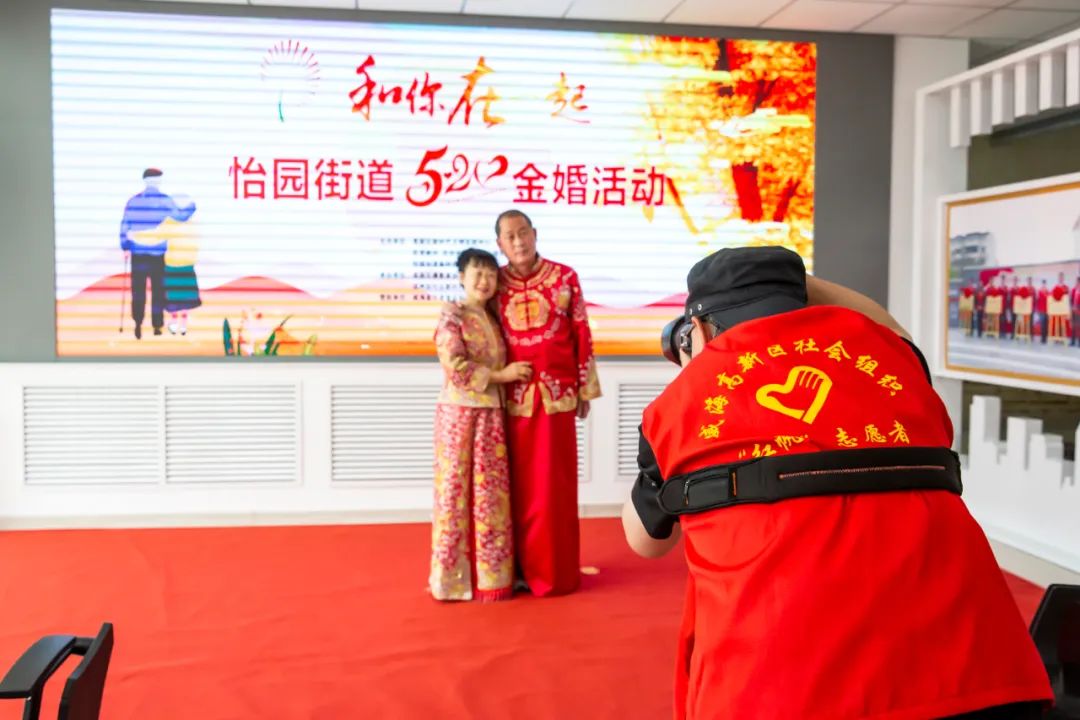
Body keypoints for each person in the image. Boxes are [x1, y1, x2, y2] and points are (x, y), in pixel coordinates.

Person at [622, 246, 1053, 720]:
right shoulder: (896, 362)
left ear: (698, 331)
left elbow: (646, 542)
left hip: (780, 693)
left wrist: (698, 371)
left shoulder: (678, 404)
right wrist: (790, 280)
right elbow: (893, 329)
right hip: (981, 677)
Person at [494, 209, 601, 597]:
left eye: (523, 233)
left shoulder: (564, 277)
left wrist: (585, 389)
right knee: (514, 489)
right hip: (510, 400)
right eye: (510, 236)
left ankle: (555, 572)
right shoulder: (494, 284)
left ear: (535, 234)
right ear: (500, 244)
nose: (519, 242)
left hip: (557, 397)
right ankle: (514, 571)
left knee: (553, 488)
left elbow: (581, 332)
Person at [429, 248, 533, 602]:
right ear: (462, 277)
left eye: (491, 274)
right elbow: (455, 366)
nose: (485, 280)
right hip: (459, 415)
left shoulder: (494, 317)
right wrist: (503, 375)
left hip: (491, 415)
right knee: (455, 493)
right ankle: (452, 580)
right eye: (478, 273)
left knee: (491, 495)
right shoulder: (452, 316)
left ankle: (492, 577)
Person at [119, 168, 196, 339]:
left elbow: (125, 225)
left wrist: (125, 246)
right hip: (157, 253)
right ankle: (157, 326)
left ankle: (138, 323)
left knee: (138, 291)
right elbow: (180, 216)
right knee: (157, 291)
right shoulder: (164, 200)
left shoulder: (133, 201)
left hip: (138, 252)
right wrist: (192, 206)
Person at [1072, 274, 1080, 347]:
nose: (1077, 283)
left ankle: (1079, 342)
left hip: (1078, 311)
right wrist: (1072, 307)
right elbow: (1071, 299)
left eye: (1078, 282)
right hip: (1073, 311)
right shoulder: (1074, 290)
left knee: (1079, 326)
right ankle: (1073, 341)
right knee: (1073, 326)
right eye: (1076, 282)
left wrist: (1077, 307)